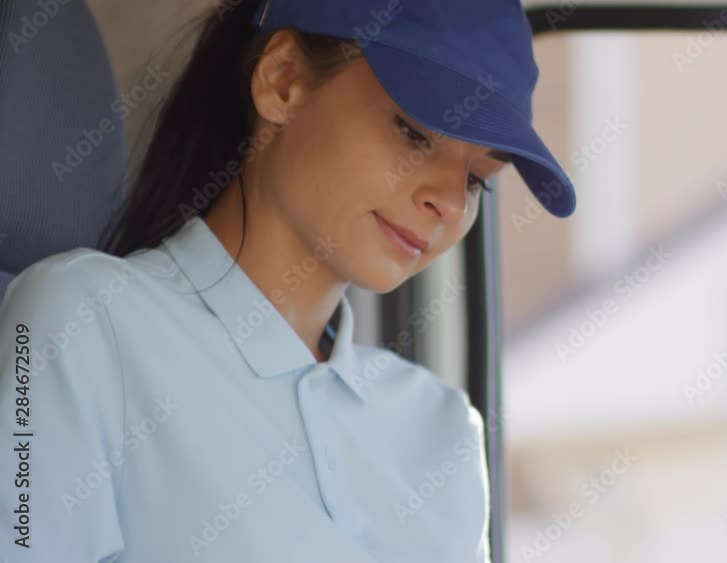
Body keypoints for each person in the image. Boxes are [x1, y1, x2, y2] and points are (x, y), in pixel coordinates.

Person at [0, 0, 576, 561]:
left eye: (478, 180)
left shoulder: (444, 429)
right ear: (282, 82)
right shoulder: (78, 324)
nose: (448, 202)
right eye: (414, 133)